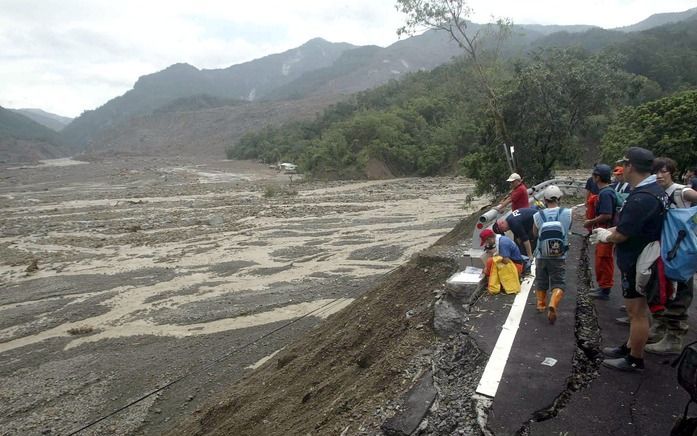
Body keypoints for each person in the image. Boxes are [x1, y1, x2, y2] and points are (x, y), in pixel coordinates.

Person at [590, 146, 668, 372]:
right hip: (643, 254)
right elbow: (633, 225)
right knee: (637, 311)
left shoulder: (642, 197)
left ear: (630, 166)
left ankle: (635, 358)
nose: (621, 169)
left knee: (637, 313)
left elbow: (623, 234)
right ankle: (629, 346)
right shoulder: (653, 190)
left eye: (624, 165)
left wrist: (607, 235)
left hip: (637, 260)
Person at [644, 157, 697, 354]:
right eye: (656, 172)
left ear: (671, 172)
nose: (659, 175)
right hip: (666, 250)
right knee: (663, 289)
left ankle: (674, 338)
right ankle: (660, 328)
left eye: (663, 171)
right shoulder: (659, 192)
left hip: (681, 250)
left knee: (680, 291)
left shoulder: (680, 191)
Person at [531, 185, 572, 324]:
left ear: (545, 199)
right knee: (558, 282)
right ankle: (553, 302)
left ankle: (541, 304)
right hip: (559, 255)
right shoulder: (567, 213)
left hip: (541, 254)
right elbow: (567, 230)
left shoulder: (537, 215)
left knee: (541, 280)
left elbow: (535, 234)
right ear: (559, 198)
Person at [583, 164, 616, 300]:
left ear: (597, 177)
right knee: (600, 260)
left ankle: (605, 290)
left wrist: (590, 222)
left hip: (606, 231)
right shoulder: (607, 191)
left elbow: (607, 214)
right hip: (603, 230)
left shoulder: (606, 193)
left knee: (604, 260)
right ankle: (603, 287)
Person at [480, 228, 525, 294]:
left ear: (490, 239)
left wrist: (488, 268)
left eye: (486, 242)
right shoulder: (501, 239)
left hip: (516, 267)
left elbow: (506, 261)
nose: (486, 244)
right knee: (492, 261)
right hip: (515, 264)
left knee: (490, 261)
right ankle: (492, 282)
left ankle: (492, 284)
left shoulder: (503, 243)